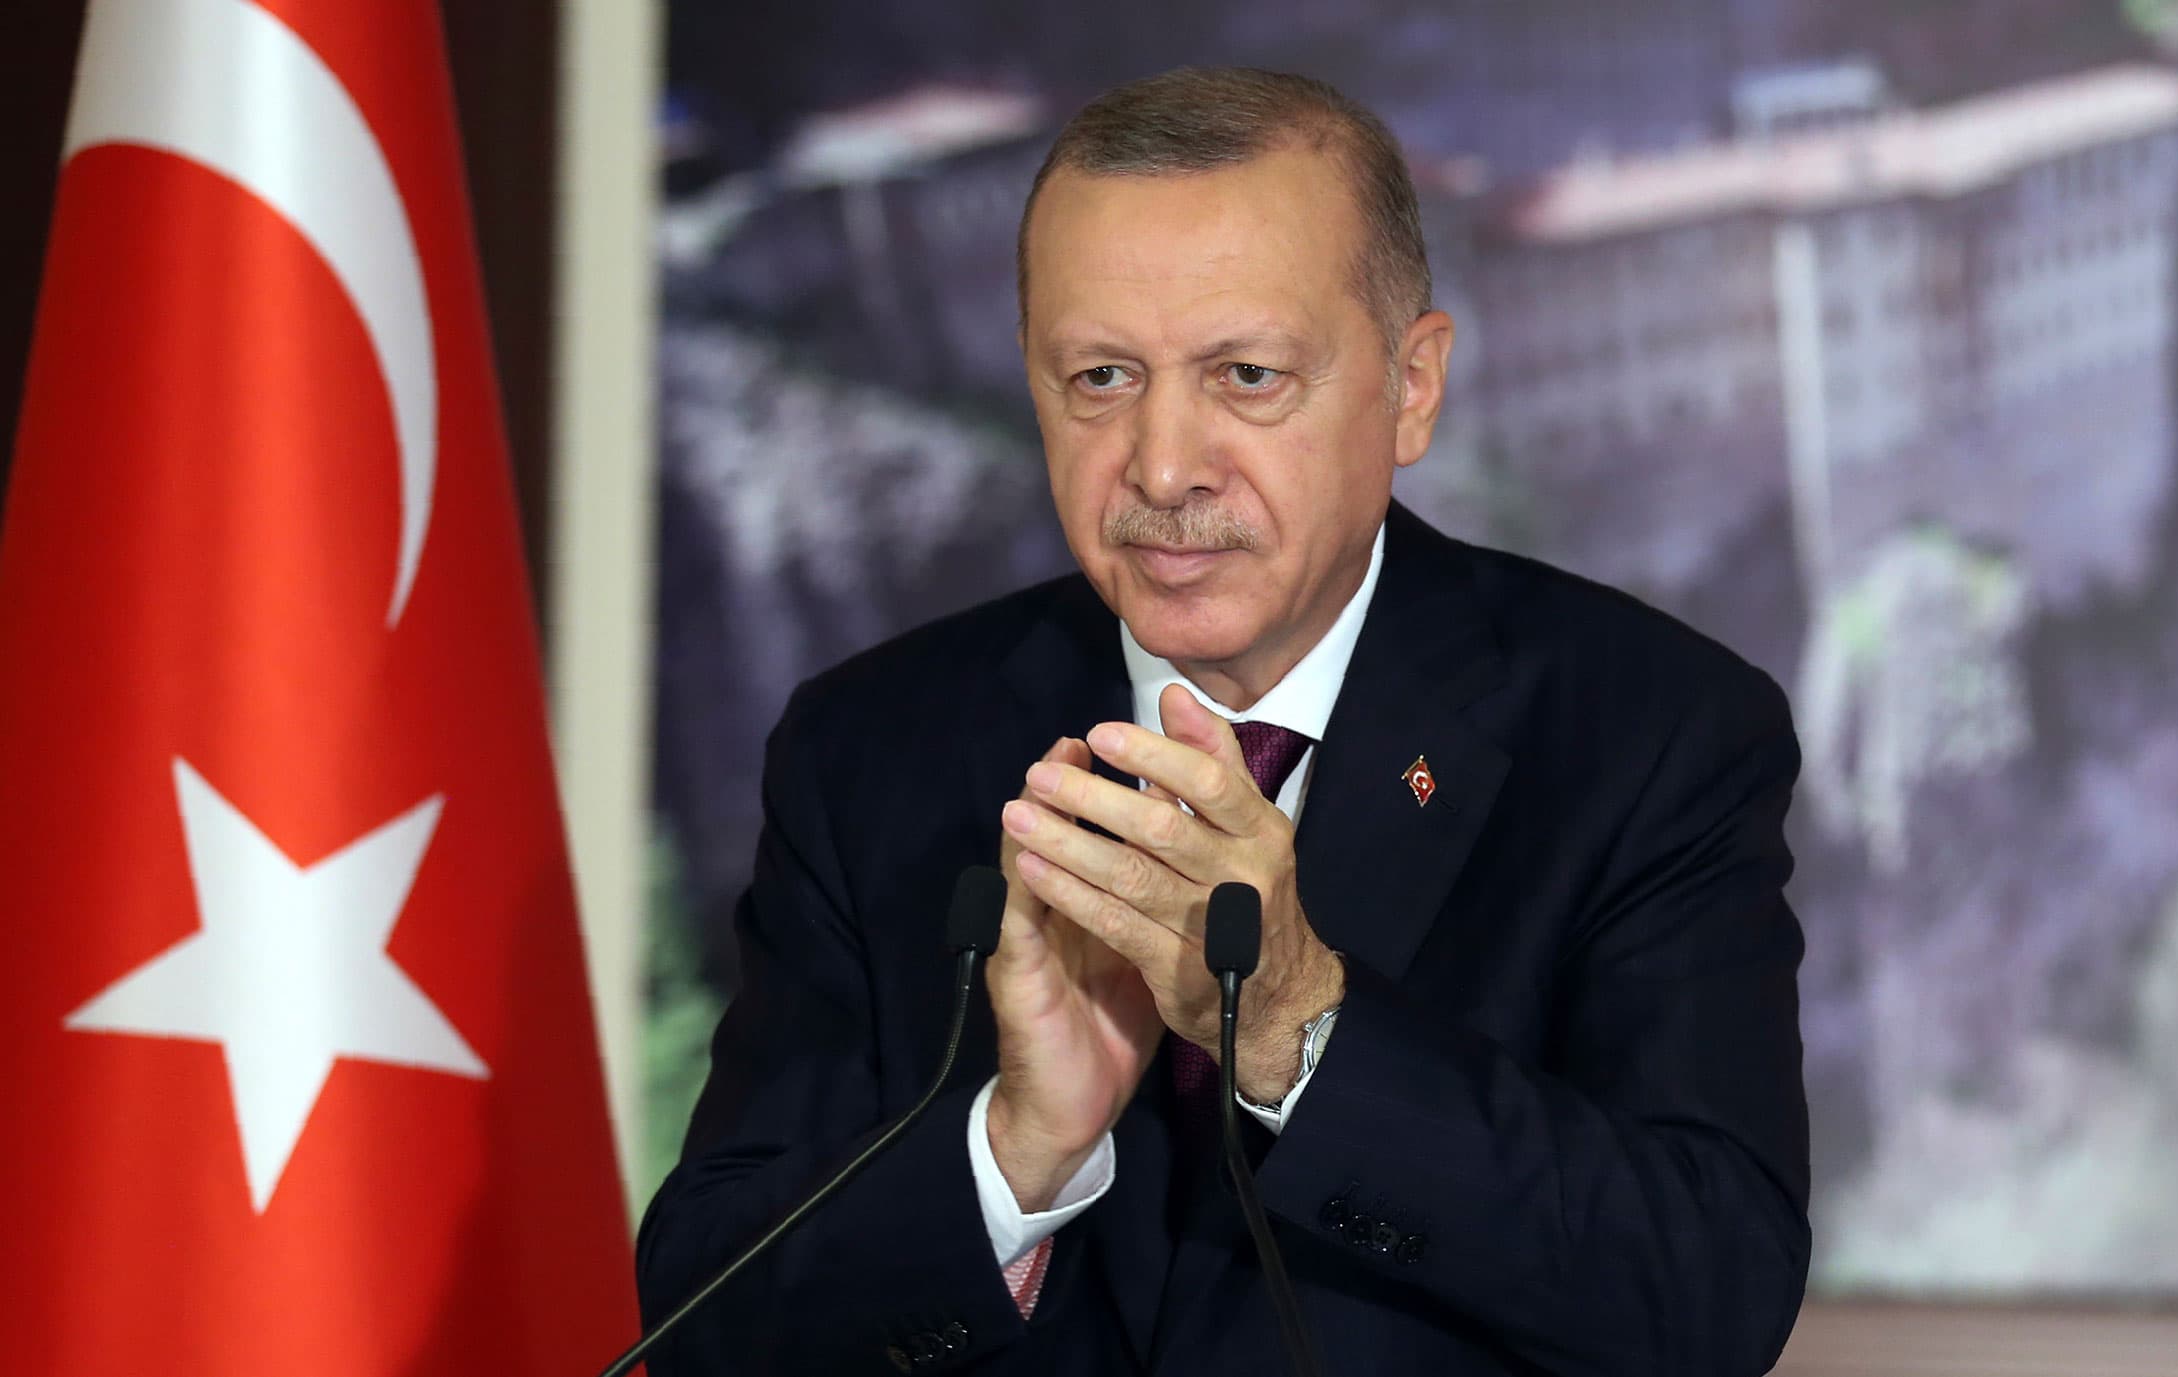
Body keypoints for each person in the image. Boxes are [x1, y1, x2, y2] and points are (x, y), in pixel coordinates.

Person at [638, 67, 1810, 1376]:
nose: (1162, 463)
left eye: (1245, 374)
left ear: (1411, 388)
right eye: (1100, 376)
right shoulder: (872, 749)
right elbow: (707, 1320)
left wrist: (1301, 1034)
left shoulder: (1650, 730)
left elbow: (1710, 1292)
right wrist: (1016, 1150)